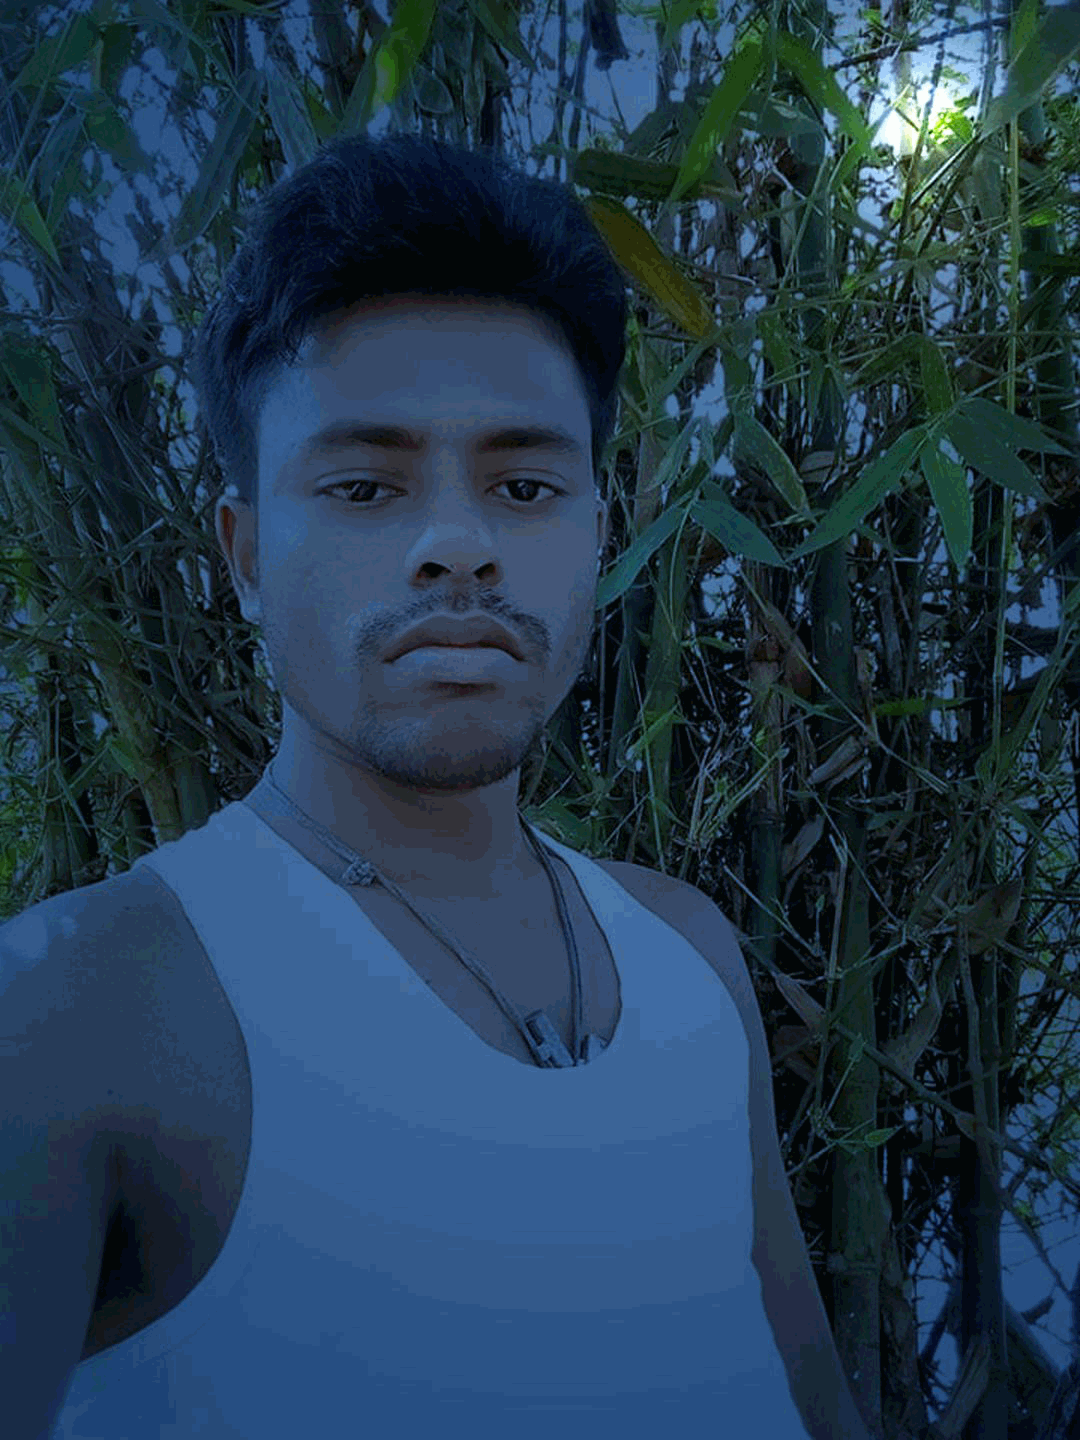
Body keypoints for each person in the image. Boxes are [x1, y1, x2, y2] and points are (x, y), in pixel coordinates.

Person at [2, 131, 866, 1439]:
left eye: (525, 485)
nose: (458, 544)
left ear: (598, 533)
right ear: (244, 554)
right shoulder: (85, 1005)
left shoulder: (689, 959)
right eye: (365, 486)